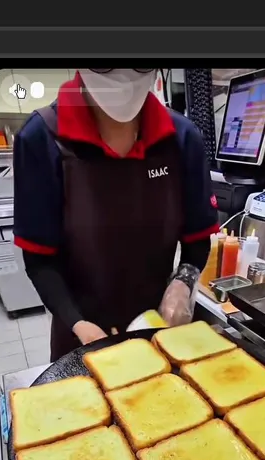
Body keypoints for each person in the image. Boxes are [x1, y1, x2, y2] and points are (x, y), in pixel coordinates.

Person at [12, 69, 220, 361]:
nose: (123, 75)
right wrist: (78, 324)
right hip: (78, 333)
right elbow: (40, 261)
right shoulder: (40, 138)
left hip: (156, 328)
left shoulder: (182, 138)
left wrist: (182, 283)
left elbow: (196, 239)